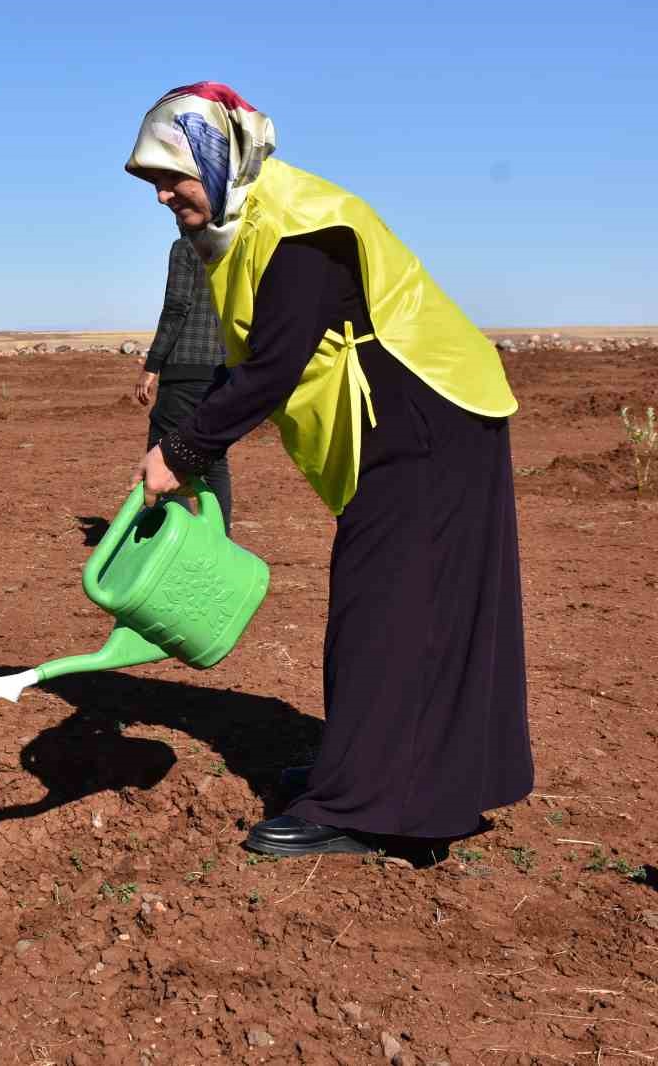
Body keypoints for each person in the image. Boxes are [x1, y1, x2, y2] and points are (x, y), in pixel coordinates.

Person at [125, 82, 530, 857]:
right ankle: (373, 767)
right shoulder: (248, 229)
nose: (163, 197)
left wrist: (180, 454)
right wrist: (185, 440)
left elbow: (271, 369)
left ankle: (366, 806)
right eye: (153, 183)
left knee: (385, 608)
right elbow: (252, 359)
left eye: (170, 176)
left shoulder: (298, 227)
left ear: (215, 157)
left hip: (427, 417)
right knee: (401, 607)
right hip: (413, 422)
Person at [135, 233, 233, 530]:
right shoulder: (233, 246)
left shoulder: (185, 246)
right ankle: (219, 543)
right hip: (223, 367)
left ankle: (173, 539)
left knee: (164, 453)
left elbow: (177, 307)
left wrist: (152, 366)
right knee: (214, 460)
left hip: (184, 368)